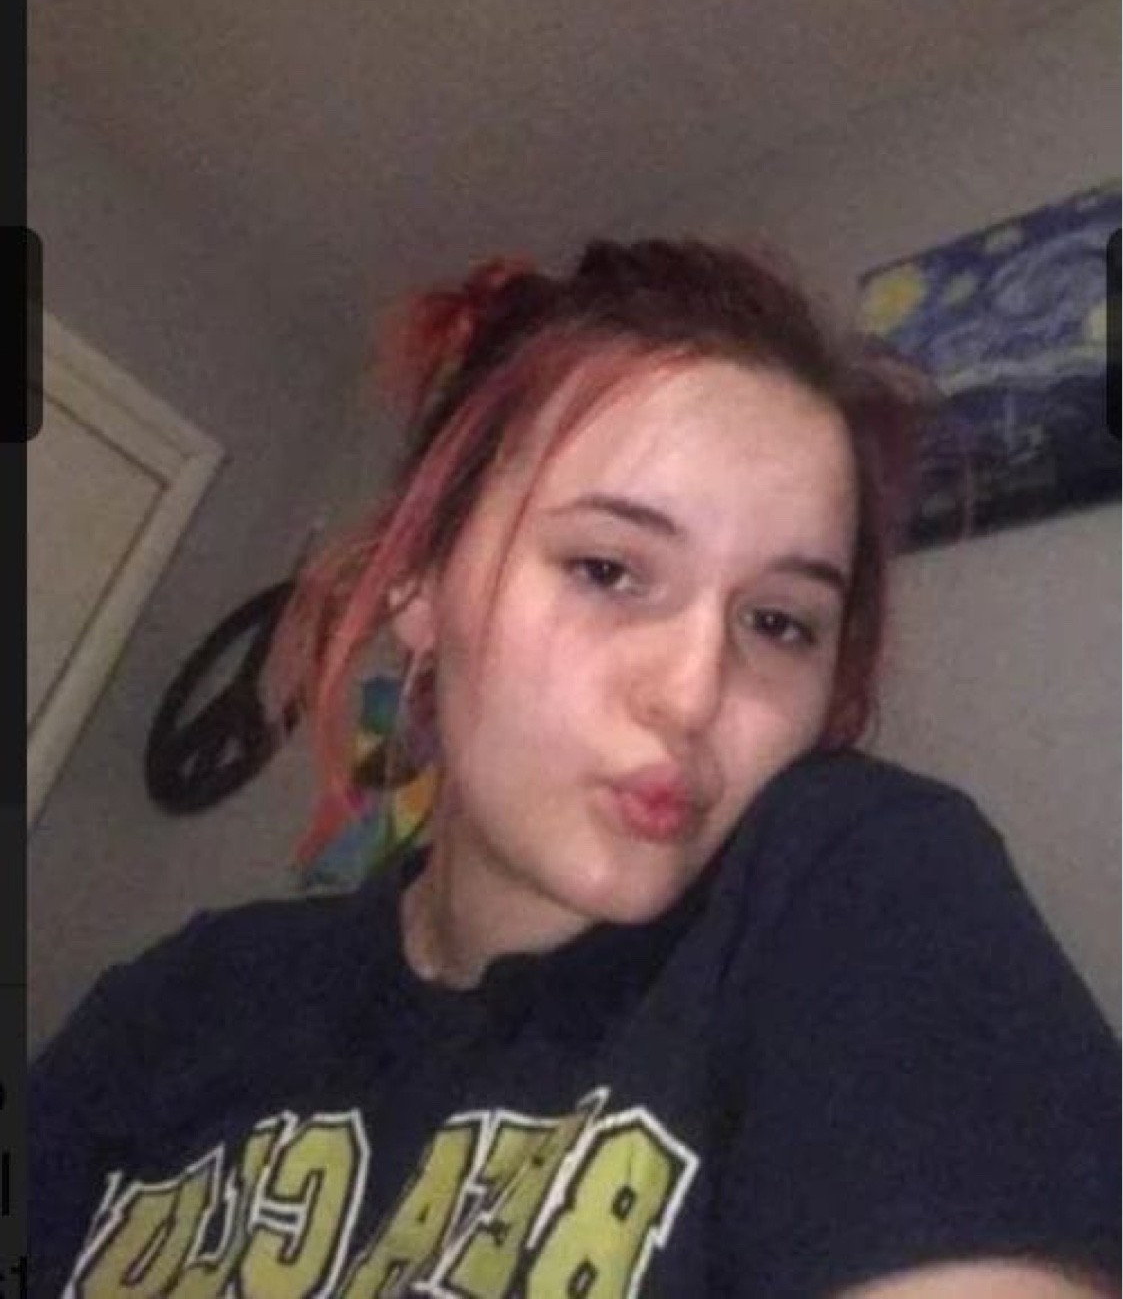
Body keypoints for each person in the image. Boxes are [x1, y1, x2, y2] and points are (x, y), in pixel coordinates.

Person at [29, 238, 1120, 1298]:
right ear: (421, 586)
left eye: (778, 623)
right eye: (607, 569)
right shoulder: (182, 1006)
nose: (692, 694)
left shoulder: (855, 886)